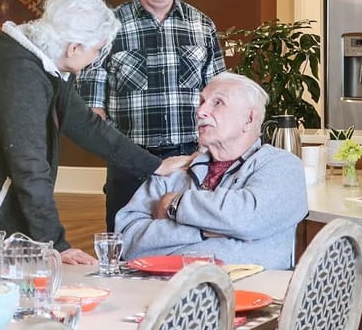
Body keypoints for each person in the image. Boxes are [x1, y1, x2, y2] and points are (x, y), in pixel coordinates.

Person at [0, 0, 191, 269]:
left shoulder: (49, 68)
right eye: (97, 50)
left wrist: (154, 165)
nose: (97, 58)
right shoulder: (21, 78)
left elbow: (88, 127)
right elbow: (29, 166)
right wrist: (56, 244)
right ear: (73, 47)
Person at [76, 0, 226, 232]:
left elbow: (221, 100)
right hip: (131, 165)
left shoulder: (203, 26)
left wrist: (210, 155)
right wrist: (122, 155)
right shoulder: (108, 29)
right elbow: (93, 111)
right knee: (125, 252)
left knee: (190, 248)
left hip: (191, 162)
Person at [115, 72, 309, 270]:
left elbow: (246, 218)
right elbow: (126, 242)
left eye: (218, 103)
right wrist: (204, 231)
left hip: (248, 292)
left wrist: (175, 204)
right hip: (165, 291)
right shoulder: (175, 170)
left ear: (249, 119)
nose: (200, 112)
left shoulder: (282, 166)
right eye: (202, 102)